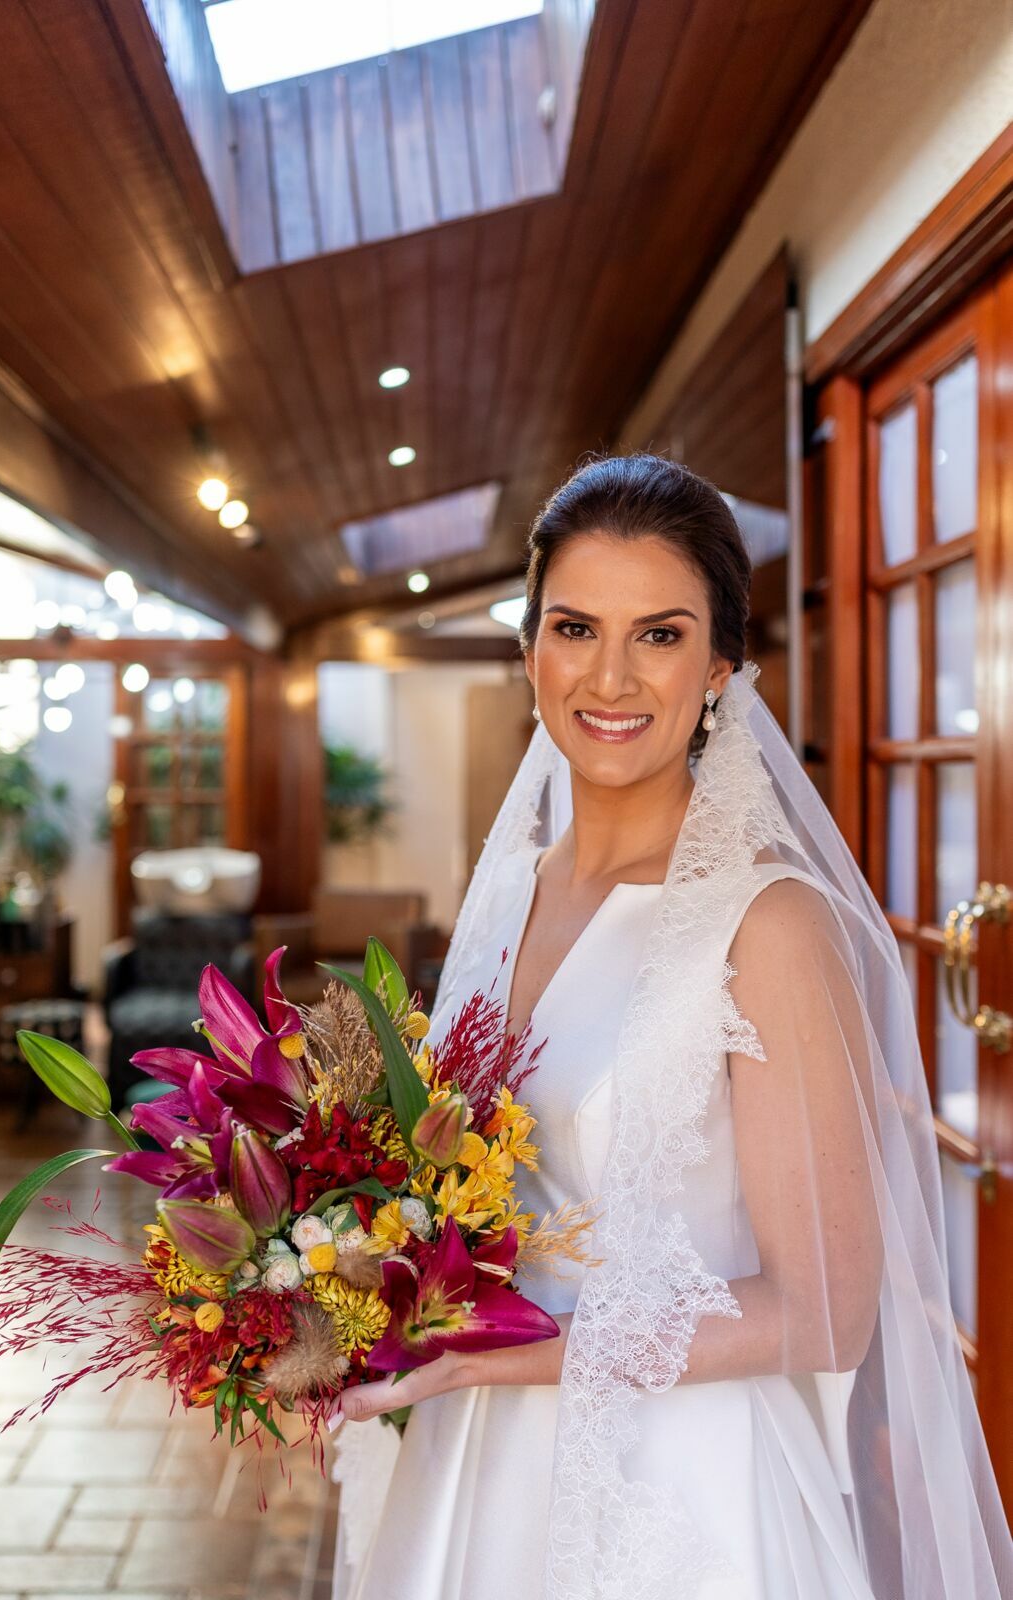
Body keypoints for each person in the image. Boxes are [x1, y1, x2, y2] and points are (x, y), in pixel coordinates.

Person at [328, 454, 1013, 1600]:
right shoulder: (505, 894)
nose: (608, 674)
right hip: (473, 1461)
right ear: (528, 649)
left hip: (677, 1496)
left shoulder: (765, 923)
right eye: (573, 625)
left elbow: (827, 1315)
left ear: (720, 668)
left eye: (657, 633)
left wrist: (488, 1358)